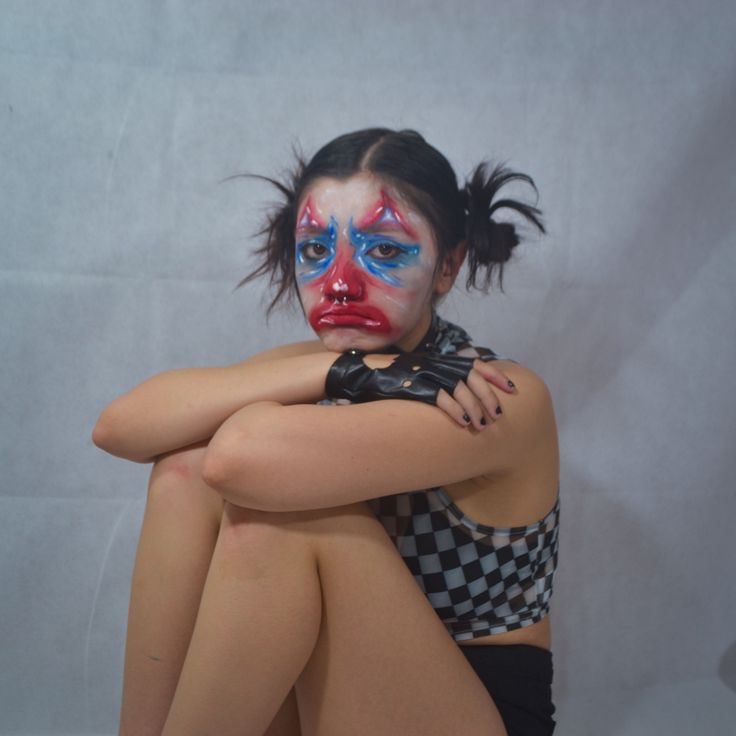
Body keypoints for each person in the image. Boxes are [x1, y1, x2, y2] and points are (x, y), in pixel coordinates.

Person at [92, 127, 560, 736]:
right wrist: (345, 368)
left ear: (448, 266)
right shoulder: (346, 369)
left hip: (474, 712)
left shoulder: (495, 395)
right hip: (336, 699)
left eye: (386, 251)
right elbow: (118, 427)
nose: (338, 284)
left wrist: (336, 373)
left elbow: (239, 458)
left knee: (272, 523)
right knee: (182, 476)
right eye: (315, 250)